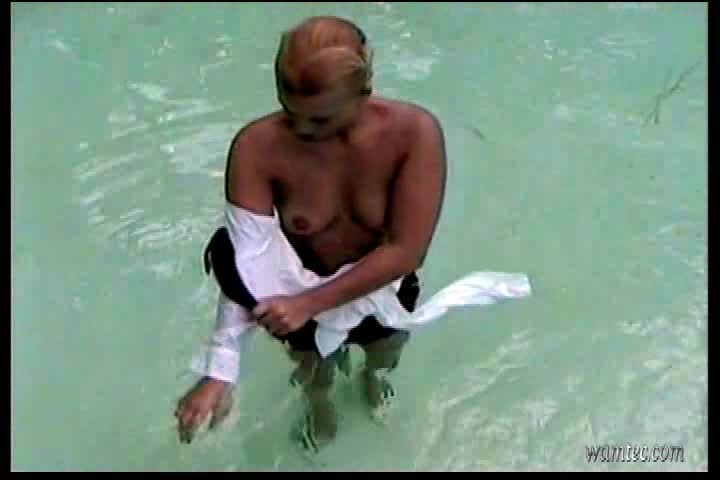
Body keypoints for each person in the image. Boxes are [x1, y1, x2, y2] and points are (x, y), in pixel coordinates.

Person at [174, 15, 447, 451]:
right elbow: (246, 262)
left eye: (321, 120)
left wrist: (311, 303)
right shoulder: (257, 147)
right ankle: (319, 410)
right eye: (289, 111)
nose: (301, 130)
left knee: (383, 358)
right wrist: (219, 370)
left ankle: (373, 384)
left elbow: (406, 251)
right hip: (294, 299)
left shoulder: (414, 135)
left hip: (378, 294)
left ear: (365, 91)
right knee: (313, 378)